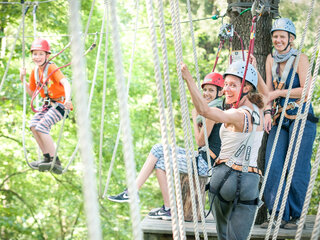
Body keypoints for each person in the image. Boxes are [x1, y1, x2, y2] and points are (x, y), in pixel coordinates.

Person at [108, 72, 225, 220]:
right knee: (158, 148)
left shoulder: (213, 112)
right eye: (205, 90)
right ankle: (132, 191)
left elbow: (200, 142)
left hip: (204, 163)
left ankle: (168, 208)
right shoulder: (209, 110)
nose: (207, 93)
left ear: (220, 92)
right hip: (200, 156)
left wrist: (194, 117)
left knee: (162, 162)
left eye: (211, 90)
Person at [181, 60, 265, 240]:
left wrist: (188, 79)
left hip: (225, 178)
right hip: (250, 182)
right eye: (225, 84)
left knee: (224, 237)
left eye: (233, 85)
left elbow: (204, 110)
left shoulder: (237, 115)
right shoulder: (260, 110)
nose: (226, 89)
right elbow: (266, 94)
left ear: (247, 88)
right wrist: (254, 71)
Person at [261, 18, 318, 229]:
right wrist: (267, 112)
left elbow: (306, 90)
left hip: (300, 114)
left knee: (297, 167)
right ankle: (277, 213)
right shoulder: (270, 59)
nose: (278, 40)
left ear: (290, 39)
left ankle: (295, 215)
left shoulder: (300, 59)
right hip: (278, 116)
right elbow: (267, 89)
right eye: (275, 36)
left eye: (282, 37)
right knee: (273, 164)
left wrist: (278, 93)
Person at [20, 38, 72, 175]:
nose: (37, 57)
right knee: (33, 125)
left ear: (47, 56)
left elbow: (66, 83)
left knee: (42, 127)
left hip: (60, 104)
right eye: (35, 54)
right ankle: (47, 157)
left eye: (40, 54)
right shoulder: (35, 72)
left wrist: (67, 99)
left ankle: (55, 161)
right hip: (48, 105)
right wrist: (23, 80)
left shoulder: (51, 67)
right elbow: (32, 93)